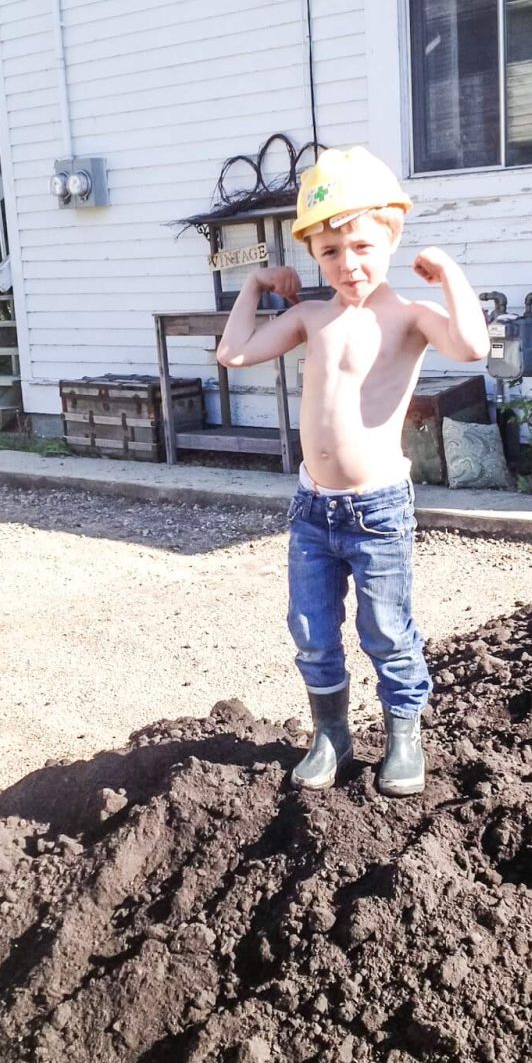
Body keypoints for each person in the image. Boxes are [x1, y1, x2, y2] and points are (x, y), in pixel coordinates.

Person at [216, 146, 490, 796]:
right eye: (331, 252)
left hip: (377, 509)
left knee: (387, 629)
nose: (348, 264)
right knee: (311, 630)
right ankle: (331, 734)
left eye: (362, 246)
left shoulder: (410, 318)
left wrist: (449, 272)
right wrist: (255, 286)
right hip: (313, 510)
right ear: (314, 253)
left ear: (391, 238)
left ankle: (402, 738)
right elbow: (232, 353)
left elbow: (474, 346)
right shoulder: (312, 317)